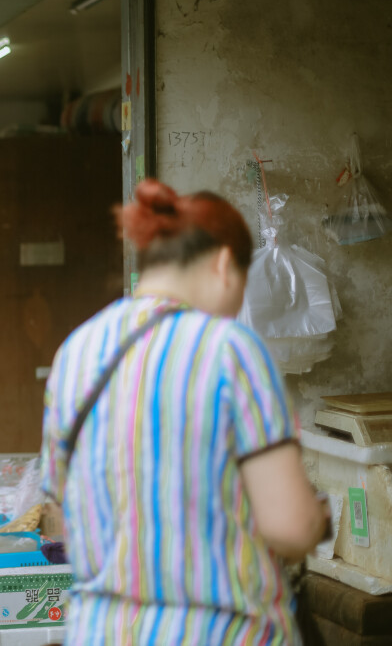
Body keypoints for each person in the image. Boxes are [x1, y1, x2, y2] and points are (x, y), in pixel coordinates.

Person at [40, 180, 330, 645]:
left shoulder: (74, 353)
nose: (238, 306)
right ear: (222, 265)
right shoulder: (231, 349)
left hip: (101, 631)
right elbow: (289, 528)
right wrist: (317, 519)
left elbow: (62, 511)